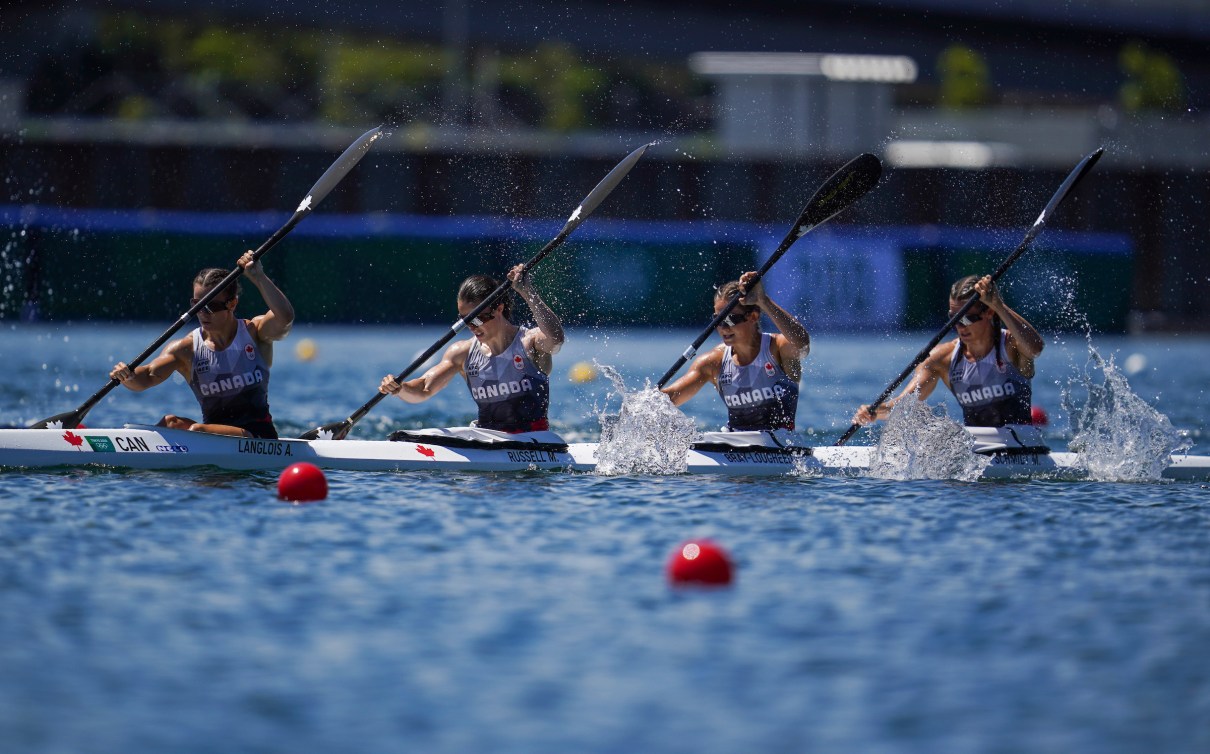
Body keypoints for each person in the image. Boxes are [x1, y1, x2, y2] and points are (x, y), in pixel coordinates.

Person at [109, 251, 295, 439]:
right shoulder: (186, 349)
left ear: (232, 304)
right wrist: (128, 376)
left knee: (197, 431)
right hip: (212, 435)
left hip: (257, 437)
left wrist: (258, 277)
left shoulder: (255, 332)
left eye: (210, 306)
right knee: (170, 422)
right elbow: (148, 376)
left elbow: (285, 318)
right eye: (197, 305)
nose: (202, 313)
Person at [378, 265, 564, 433]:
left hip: (533, 441)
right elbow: (424, 388)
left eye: (476, 318)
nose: (472, 326)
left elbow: (555, 339)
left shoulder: (529, 342)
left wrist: (527, 291)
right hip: (486, 438)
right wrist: (399, 388)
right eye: (465, 320)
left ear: (499, 309)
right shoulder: (462, 353)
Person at [853, 274, 1045, 428]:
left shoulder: (1011, 345)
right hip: (976, 455)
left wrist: (999, 305)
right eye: (954, 318)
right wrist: (876, 411)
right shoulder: (941, 358)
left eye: (967, 318)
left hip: (1022, 446)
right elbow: (906, 404)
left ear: (989, 313)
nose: (960, 326)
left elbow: (1036, 348)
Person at [661, 271, 809, 431]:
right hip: (733, 445)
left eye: (729, 319)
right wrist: (640, 403)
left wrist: (763, 301)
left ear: (753, 316)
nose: (723, 327)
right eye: (717, 320)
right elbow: (673, 396)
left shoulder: (778, 347)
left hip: (780, 445)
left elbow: (802, 345)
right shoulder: (713, 362)